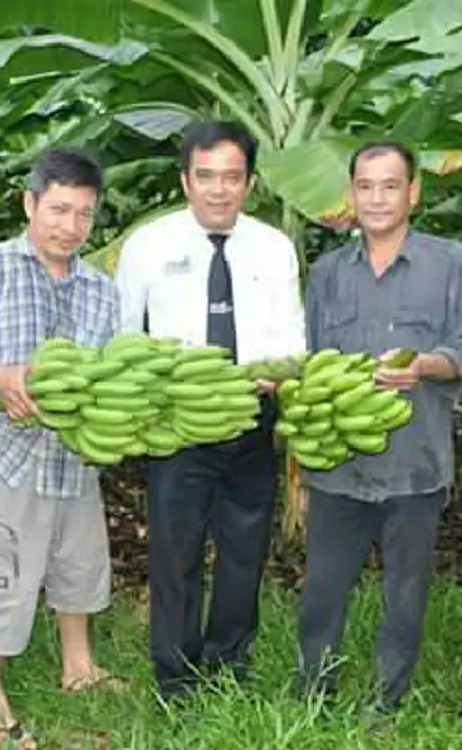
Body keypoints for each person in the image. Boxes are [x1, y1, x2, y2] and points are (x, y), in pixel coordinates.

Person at [0, 148, 127, 750]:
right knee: (3, 561)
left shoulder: (101, 290)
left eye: (83, 214)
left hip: (72, 452)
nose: (70, 226)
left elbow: (105, 373)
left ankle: (80, 667)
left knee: (78, 556)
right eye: (59, 209)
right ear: (30, 203)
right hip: (0, 446)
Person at [114, 120, 306, 702]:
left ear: (249, 183)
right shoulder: (148, 245)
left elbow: (292, 334)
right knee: (175, 551)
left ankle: (229, 664)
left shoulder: (272, 247)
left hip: (253, 414)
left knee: (245, 549)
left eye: (231, 177)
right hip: (178, 420)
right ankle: (175, 676)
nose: (218, 190)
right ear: (184, 180)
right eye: (205, 177)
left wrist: (280, 374)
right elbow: (124, 334)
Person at [296, 140, 462, 714]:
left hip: (415, 461)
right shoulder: (328, 273)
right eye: (365, 186)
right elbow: (311, 359)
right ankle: (314, 694)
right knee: (324, 591)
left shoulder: (449, 263)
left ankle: (389, 701)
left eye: (390, 185)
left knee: (405, 593)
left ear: (414, 192)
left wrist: (424, 366)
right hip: (338, 464)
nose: (376, 198)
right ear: (351, 193)